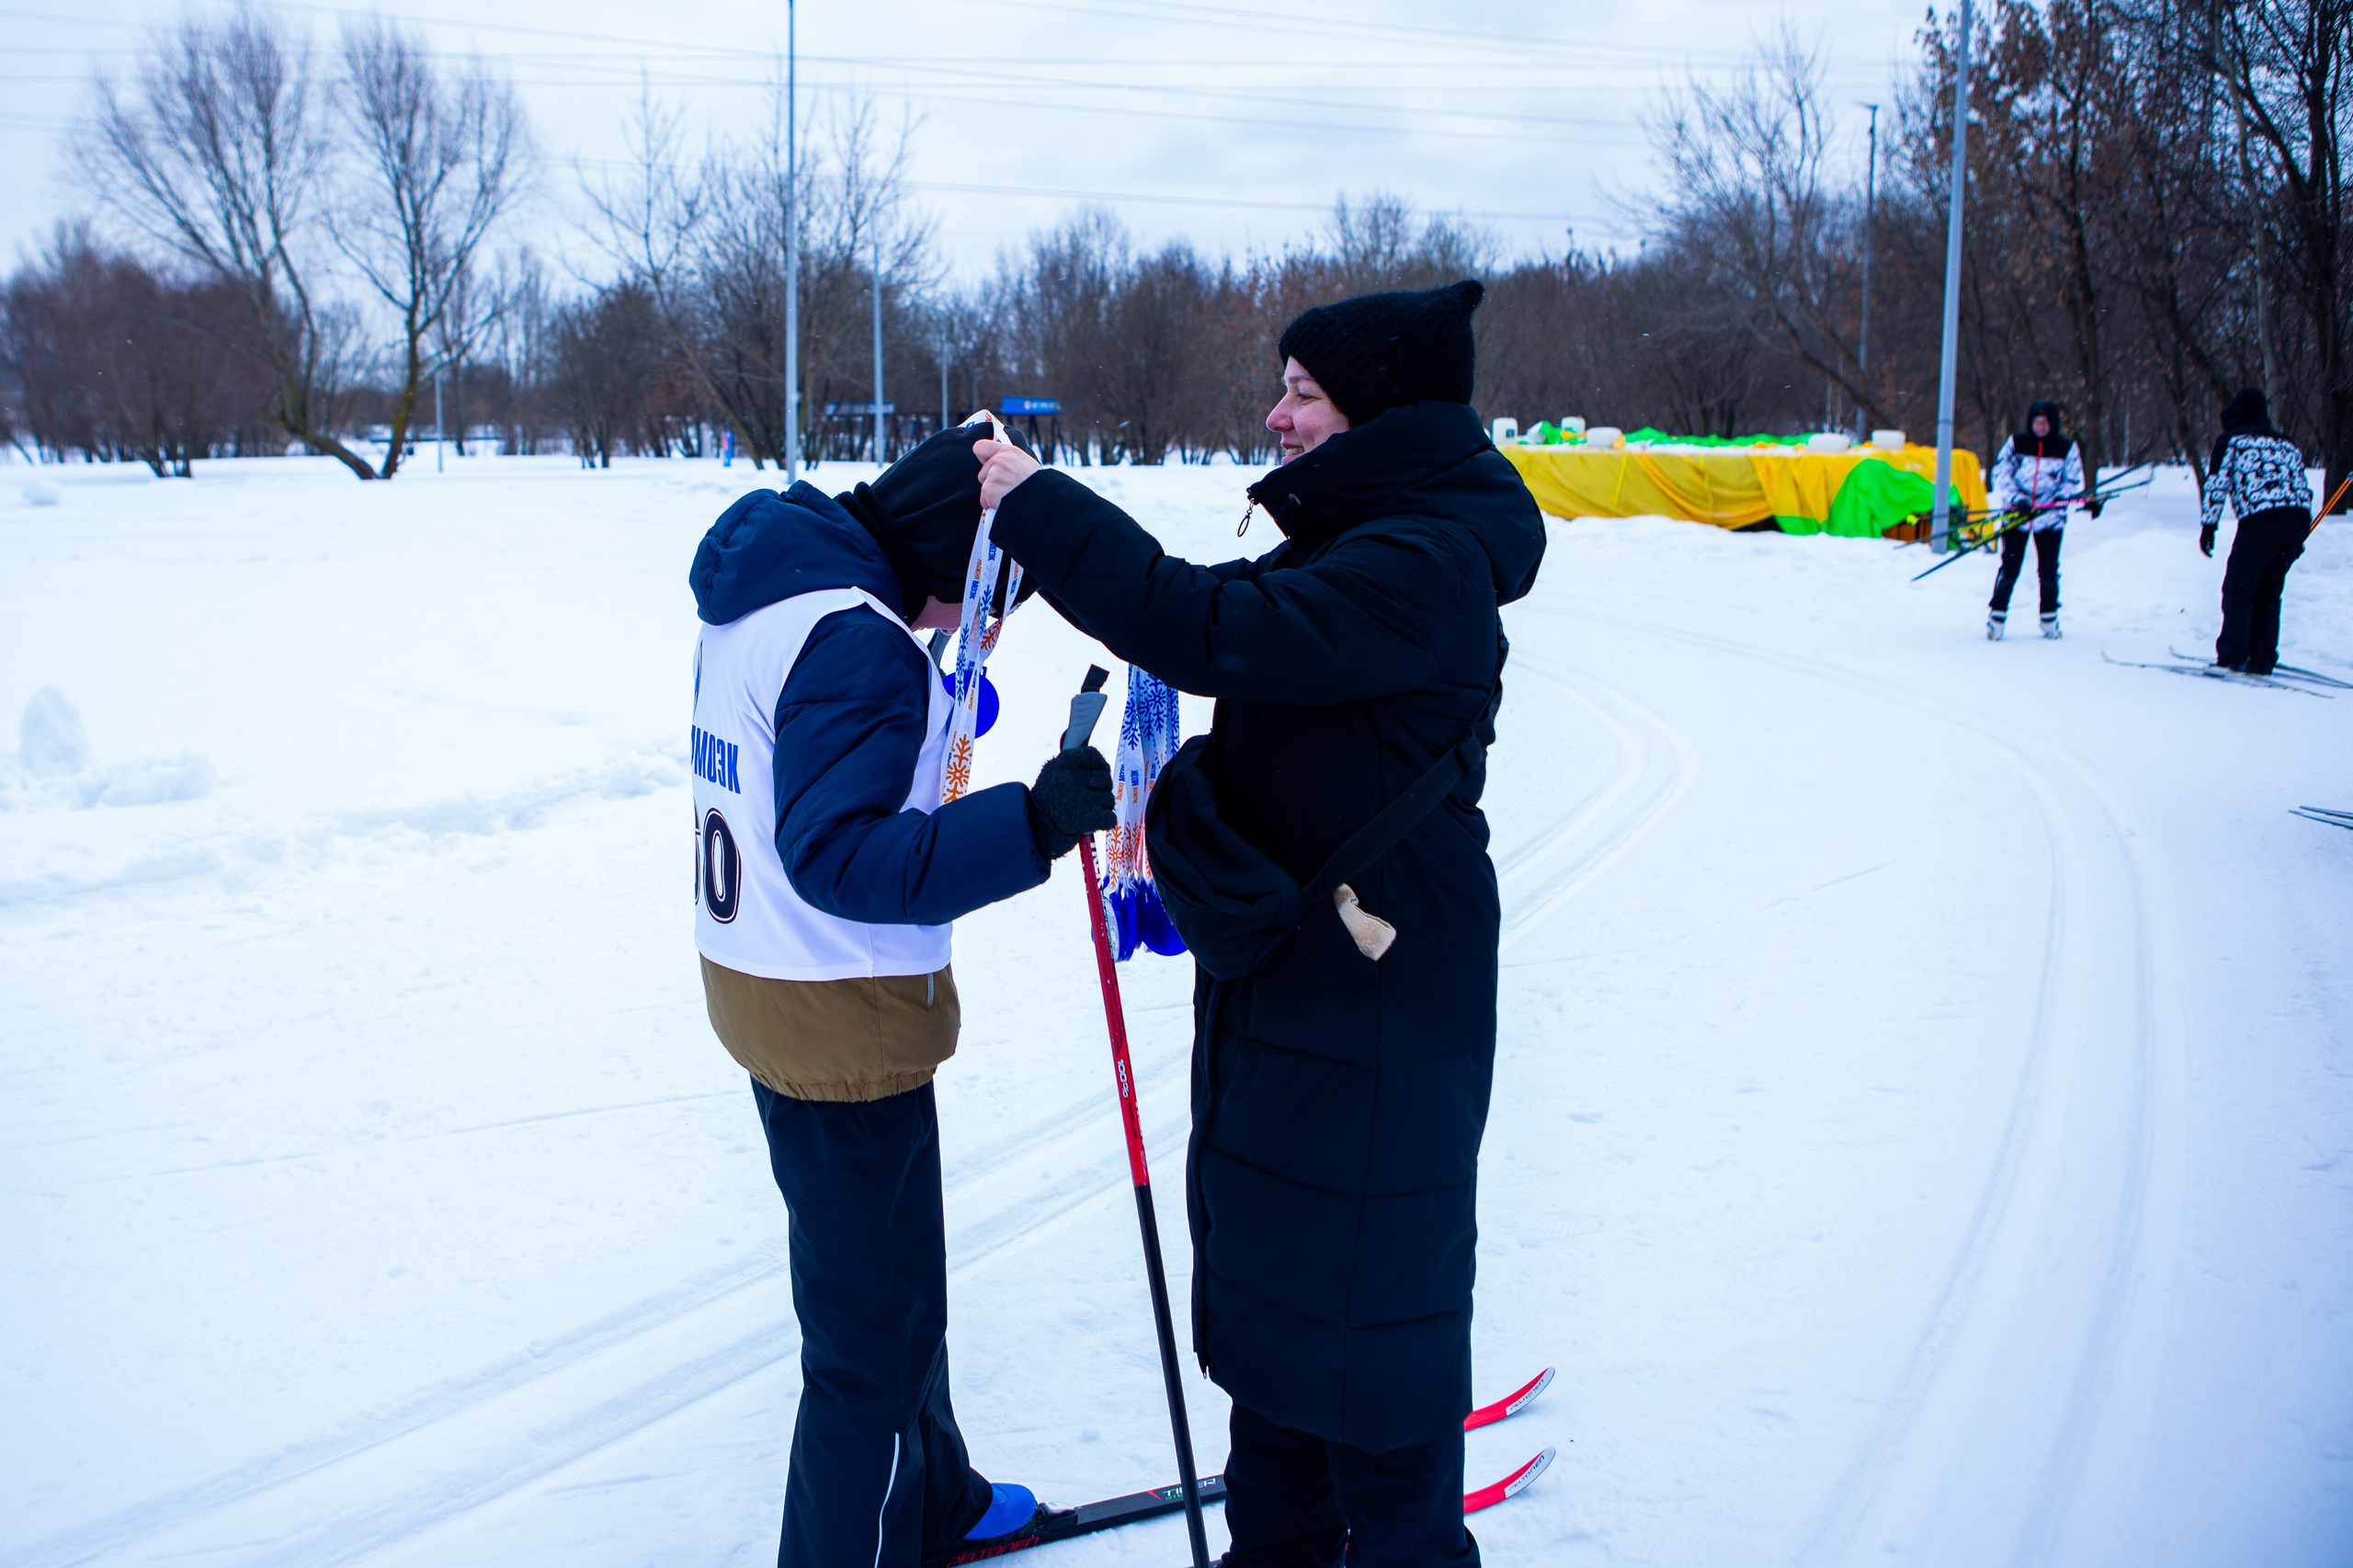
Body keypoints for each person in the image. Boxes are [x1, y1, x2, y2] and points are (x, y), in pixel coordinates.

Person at [976, 278, 1546, 1568]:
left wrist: (1040, 502)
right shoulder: (1361, 540)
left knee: (1375, 1363)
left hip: (1381, 1013)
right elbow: (1216, 622)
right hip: (1304, 992)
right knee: (1282, 1337)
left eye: (1303, 391)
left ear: (1378, 412)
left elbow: (1206, 627)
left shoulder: (1421, 565)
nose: (1276, 415)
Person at [688, 426, 1114, 1567]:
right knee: (865, 1350)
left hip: (787, 990)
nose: (973, 628)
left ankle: (930, 1496)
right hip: (838, 1011)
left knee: (899, 1290)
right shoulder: (858, 639)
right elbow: (837, 854)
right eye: (983, 600)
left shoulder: (778, 587)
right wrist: (1028, 823)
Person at [2199, 387, 2314, 676]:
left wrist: (2209, 526)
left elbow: (2217, 484)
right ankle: (2262, 657)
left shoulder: (2231, 441)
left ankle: (2233, 656)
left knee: (2239, 587)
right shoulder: (2286, 443)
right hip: (2298, 519)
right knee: (2269, 589)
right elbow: (2299, 481)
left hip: (2262, 519)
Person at [1983, 399, 2099, 641]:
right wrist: (2017, 500)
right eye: (2037, 422)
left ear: (2053, 424)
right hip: (2017, 515)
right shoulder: (2016, 443)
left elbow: (2072, 480)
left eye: (2045, 423)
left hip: (2050, 518)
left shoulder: (2066, 447)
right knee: (2010, 568)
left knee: (2048, 570)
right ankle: (1996, 618)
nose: (2041, 426)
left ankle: (2049, 619)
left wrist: (2058, 499)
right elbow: (2001, 472)